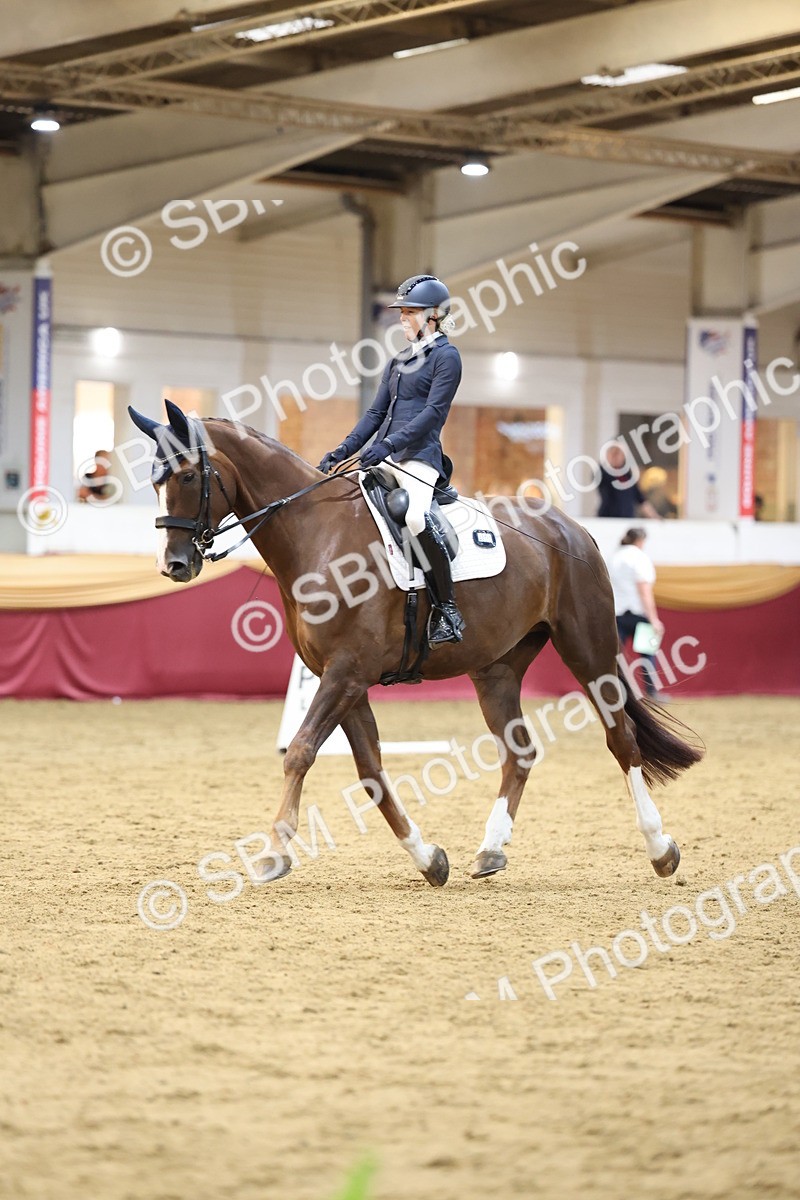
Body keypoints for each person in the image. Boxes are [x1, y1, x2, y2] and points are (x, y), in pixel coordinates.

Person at [318, 274, 464, 647]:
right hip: (385, 456)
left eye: (410, 312)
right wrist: (343, 450)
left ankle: (447, 608)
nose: (402, 319)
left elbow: (433, 413)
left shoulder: (447, 357)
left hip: (419, 457)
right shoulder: (399, 361)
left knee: (415, 517)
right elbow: (375, 414)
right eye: (402, 313)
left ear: (433, 315)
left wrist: (389, 444)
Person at [609, 527, 665, 700]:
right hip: (638, 613)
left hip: (617, 613)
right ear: (640, 541)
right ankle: (651, 692)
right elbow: (644, 590)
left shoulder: (614, 557)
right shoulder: (640, 558)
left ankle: (614, 692)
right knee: (648, 654)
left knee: (615, 656)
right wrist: (654, 619)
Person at [597, 442, 659, 519]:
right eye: (614, 453)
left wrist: (655, 517)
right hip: (608, 519)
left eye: (620, 454)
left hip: (627, 518)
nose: (616, 457)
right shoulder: (603, 473)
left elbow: (641, 499)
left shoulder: (628, 476)